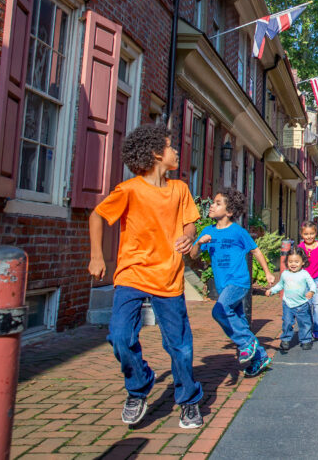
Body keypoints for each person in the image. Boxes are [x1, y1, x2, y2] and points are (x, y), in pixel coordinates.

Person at [88, 123, 204, 429]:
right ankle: (139, 385)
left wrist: (188, 237)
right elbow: (97, 215)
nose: (176, 151)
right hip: (132, 274)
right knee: (120, 336)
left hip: (168, 277)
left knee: (179, 345)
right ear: (155, 154)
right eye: (170, 146)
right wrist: (97, 255)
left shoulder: (180, 189)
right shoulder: (129, 190)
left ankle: (189, 400)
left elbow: (190, 223)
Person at [190, 188, 274, 377]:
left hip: (239, 282)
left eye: (218, 203)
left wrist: (268, 273)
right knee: (239, 323)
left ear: (229, 212)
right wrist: (199, 243)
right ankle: (259, 356)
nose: (212, 205)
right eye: (213, 202)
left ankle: (246, 343)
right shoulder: (207, 231)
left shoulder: (238, 232)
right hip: (223, 285)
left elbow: (256, 251)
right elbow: (193, 255)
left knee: (219, 310)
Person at [265, 247, 316, 352]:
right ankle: (285, 340)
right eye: (290, 262)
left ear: (302, 262)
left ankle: (306, 340)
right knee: (287, 322)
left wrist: (311, 291)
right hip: (288, 304)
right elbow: (280, 285)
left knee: (305, 323)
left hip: (302, 304)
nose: (293, 264)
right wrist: (272, 290)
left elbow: (312, 284)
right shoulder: (285, 274)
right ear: (287, 262)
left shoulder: (304, 274)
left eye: (296, 262)